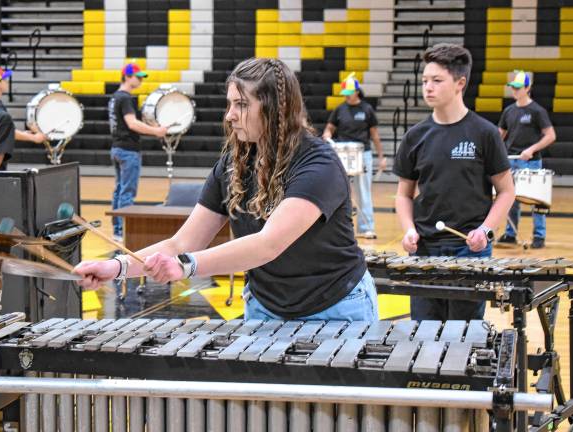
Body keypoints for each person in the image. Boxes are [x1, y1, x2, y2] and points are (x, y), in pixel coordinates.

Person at [75, 57, 378, 323]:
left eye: (242, 104)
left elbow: (267, 244)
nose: (229, 115)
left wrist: (186, 266)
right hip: (266, 308)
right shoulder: (233, 166)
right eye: (230, 104)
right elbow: (182, 242)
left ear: (274, 109)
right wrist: (115, 267)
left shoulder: (317, 163)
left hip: (336, 307)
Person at [394, 43, 515, 321]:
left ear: (460, 83)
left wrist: (485, 230)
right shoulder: (415, 136)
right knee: (424, 336)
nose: (428, 87)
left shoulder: (484, 133)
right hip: (425, 250)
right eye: (425, 80)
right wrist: (409, 230)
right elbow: (403, 195)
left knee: (465, 335)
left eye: (437, 80)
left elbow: (506, 191)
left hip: (469, 248)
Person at [322, 72, 387, 239]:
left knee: (363, 191)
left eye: (349, 93)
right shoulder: (339, 110)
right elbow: (329, 128)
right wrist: (327, 135)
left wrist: (381, 157)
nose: (347, 97)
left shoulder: (366, 109)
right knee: (340, 191)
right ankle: (342, 229)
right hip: (343, 153)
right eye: (345, 94)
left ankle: (367, 228)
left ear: (357, 91)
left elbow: (375, 135)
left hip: (362, 154)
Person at [497, 71, 556, 249]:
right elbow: (499, 135)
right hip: (510, 161)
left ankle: (539, 236)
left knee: (536, 201)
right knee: (510, 200)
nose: (514, 91)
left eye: (518, 87)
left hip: (530, 162)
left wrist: (531, 149)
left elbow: (550, 135)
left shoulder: (537, 111)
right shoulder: (509, 111)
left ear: (528, 88)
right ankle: (510, 234)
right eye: (513, 87)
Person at [109, 62, 168, 241]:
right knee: (127, 192)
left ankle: (117, 230)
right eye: (138, 77)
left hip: (117, 148)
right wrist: (156, 131)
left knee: (119, 190)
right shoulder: (125, 98)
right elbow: (132, 124)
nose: (141, 80)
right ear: (127, 77)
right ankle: (121, 232)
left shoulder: (115, 97)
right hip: (128, 150)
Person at [0, 65, 48, 145]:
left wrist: (24, 134)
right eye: (5, 80)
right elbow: (6, 131)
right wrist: (34, 138)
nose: (7, 82)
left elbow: (6, 129)